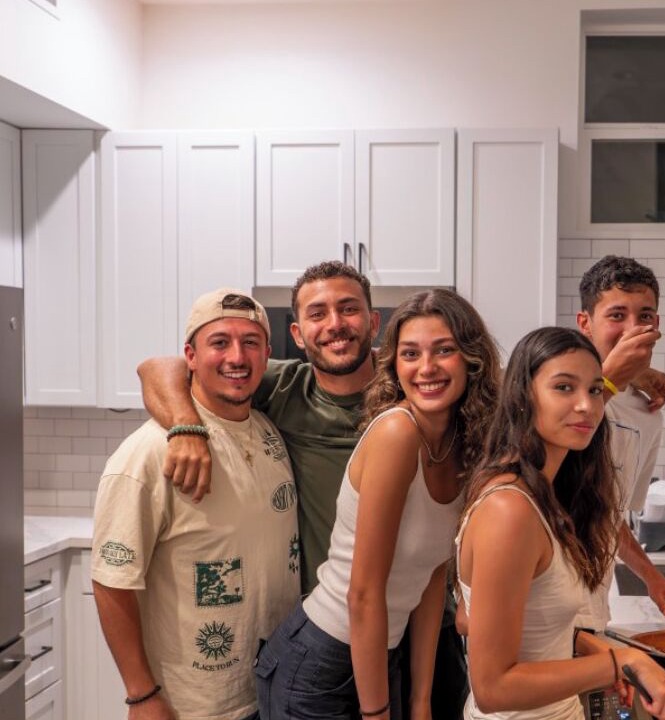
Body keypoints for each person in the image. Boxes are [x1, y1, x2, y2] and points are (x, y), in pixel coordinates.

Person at [138, 262, 470, 718]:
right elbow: (161, 367)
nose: (335, 325)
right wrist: (185, 427)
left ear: (373, 325)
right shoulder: (282, 387)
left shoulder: (418, 391)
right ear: (297, 333)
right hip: (336, 630)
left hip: (425, 631)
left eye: (349, 309)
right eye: (318, 314)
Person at [256, 289, 501, 720]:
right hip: (321, 662)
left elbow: (431, 578)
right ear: (394, 363)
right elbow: (364, 594)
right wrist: (377, 712)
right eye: (410, 353)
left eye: (443, 350)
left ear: (470, 359)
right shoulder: (397, 434)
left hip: (379, 654)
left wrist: (421, 699)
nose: (426, 368)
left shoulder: (464, 445)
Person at [456, 327, 665, 720]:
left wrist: (600, 654)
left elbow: (477, 618)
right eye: (564, 387)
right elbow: (491, 688)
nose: (586, 405)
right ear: (523, 397)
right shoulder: (510, 509)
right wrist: (619, 661)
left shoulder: (547, 494)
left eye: (595, 389)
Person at [91, 288, 300, 720]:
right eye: (219, 342)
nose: (236, 357)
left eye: (251, 342)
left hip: (272, 686)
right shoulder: (147, 455)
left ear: (267, 355)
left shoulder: (267, 430)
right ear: (190, 354)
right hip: (193, 703)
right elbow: (112, 580)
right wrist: (141, 695)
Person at [575, 255, 665, 631]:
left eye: (645, 316)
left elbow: (607, 513)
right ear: (585, 324)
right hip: (537, 617)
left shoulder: (647, 413)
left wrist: (651, 576)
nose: (632, 328)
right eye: (616, 315)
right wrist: (609, 380)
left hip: (593, 611)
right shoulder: (552, 395)